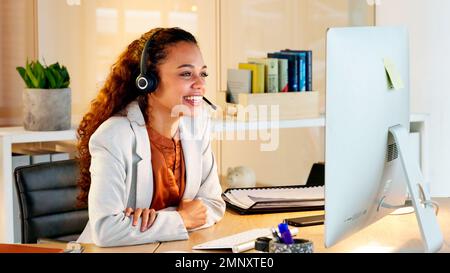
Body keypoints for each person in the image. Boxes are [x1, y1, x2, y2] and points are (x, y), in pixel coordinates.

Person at [76, 27, 225, 247]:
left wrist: (156, 221)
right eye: (186, 73)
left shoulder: (197, 127)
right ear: (149, 81)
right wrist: (182, 218)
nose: (200, 84)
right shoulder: (113, 137)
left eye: (202, 73)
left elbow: (213, 204)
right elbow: (106, 230)